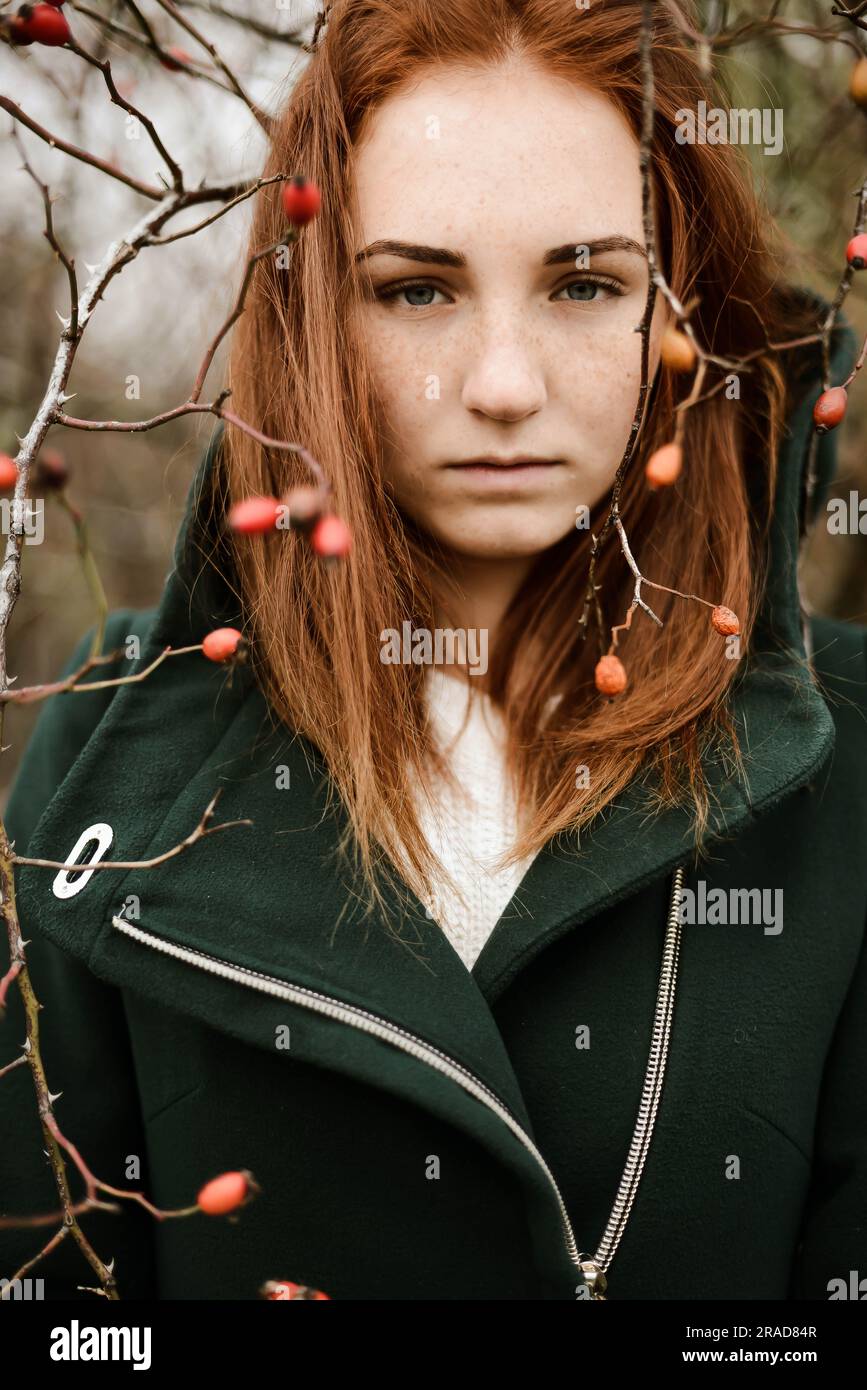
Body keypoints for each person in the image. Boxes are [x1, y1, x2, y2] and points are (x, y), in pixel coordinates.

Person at [1, 0, 865, 1302]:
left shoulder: (845, 764)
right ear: (315, 319)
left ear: (685, 311)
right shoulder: (124, 749)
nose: (503, 382)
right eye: (417, 288)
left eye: (585, 284)